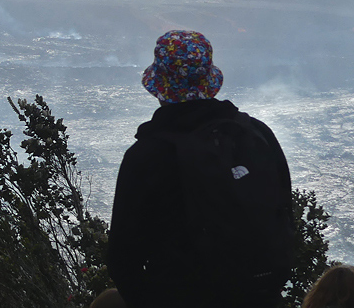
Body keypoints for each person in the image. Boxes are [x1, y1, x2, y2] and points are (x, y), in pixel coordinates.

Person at [108, 30, 294, 308]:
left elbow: (123, 260)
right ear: (209, 80)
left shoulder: (147, 155)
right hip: (262, 297)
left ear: (160, 85)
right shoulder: (256, 134)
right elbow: (285, 216)